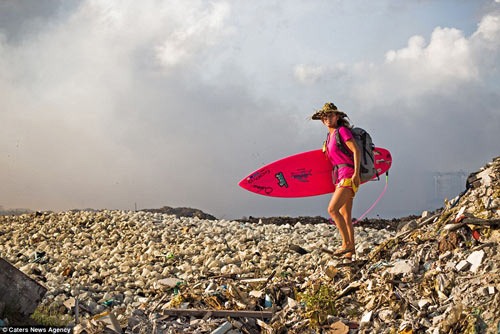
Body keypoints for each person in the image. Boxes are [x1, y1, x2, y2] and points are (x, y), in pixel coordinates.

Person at [312, 102, 361, 259]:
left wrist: (356, 174)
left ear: (337, 116)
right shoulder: (329, 137)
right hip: (339, 177)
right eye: (325, 116)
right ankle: (350, 253)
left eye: (331, 115)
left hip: (348, 175)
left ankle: (347, 244)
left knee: (332, 210)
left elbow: (356, 150)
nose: (327, 118)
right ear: (322, 120)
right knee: (345, 215)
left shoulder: (342, 131)